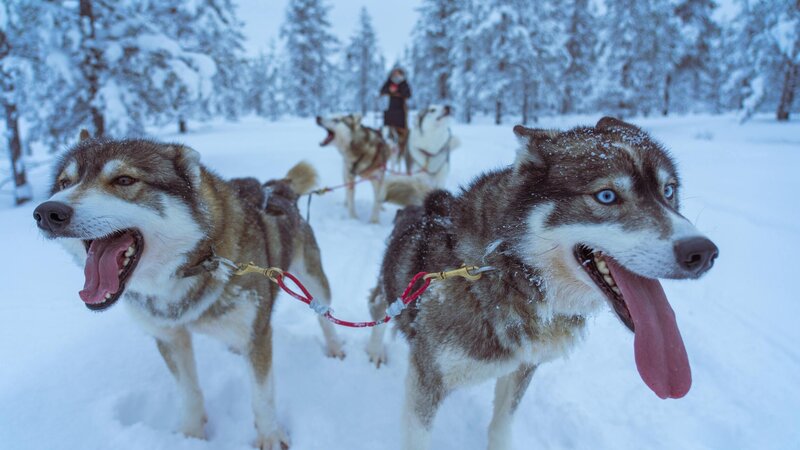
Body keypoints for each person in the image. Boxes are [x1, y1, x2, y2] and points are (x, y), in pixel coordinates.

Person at [380, 67, 412, 172]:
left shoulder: (404, 83)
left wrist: (396, 91)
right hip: (390, 113)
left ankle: (402, 154)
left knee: (402, 137)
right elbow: (382, 91)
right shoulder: (389, 82)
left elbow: (407, 94)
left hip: (401, 114)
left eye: (398, 74)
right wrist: (390, 91)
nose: (396, 75)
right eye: (395, 74)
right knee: (388, 136)